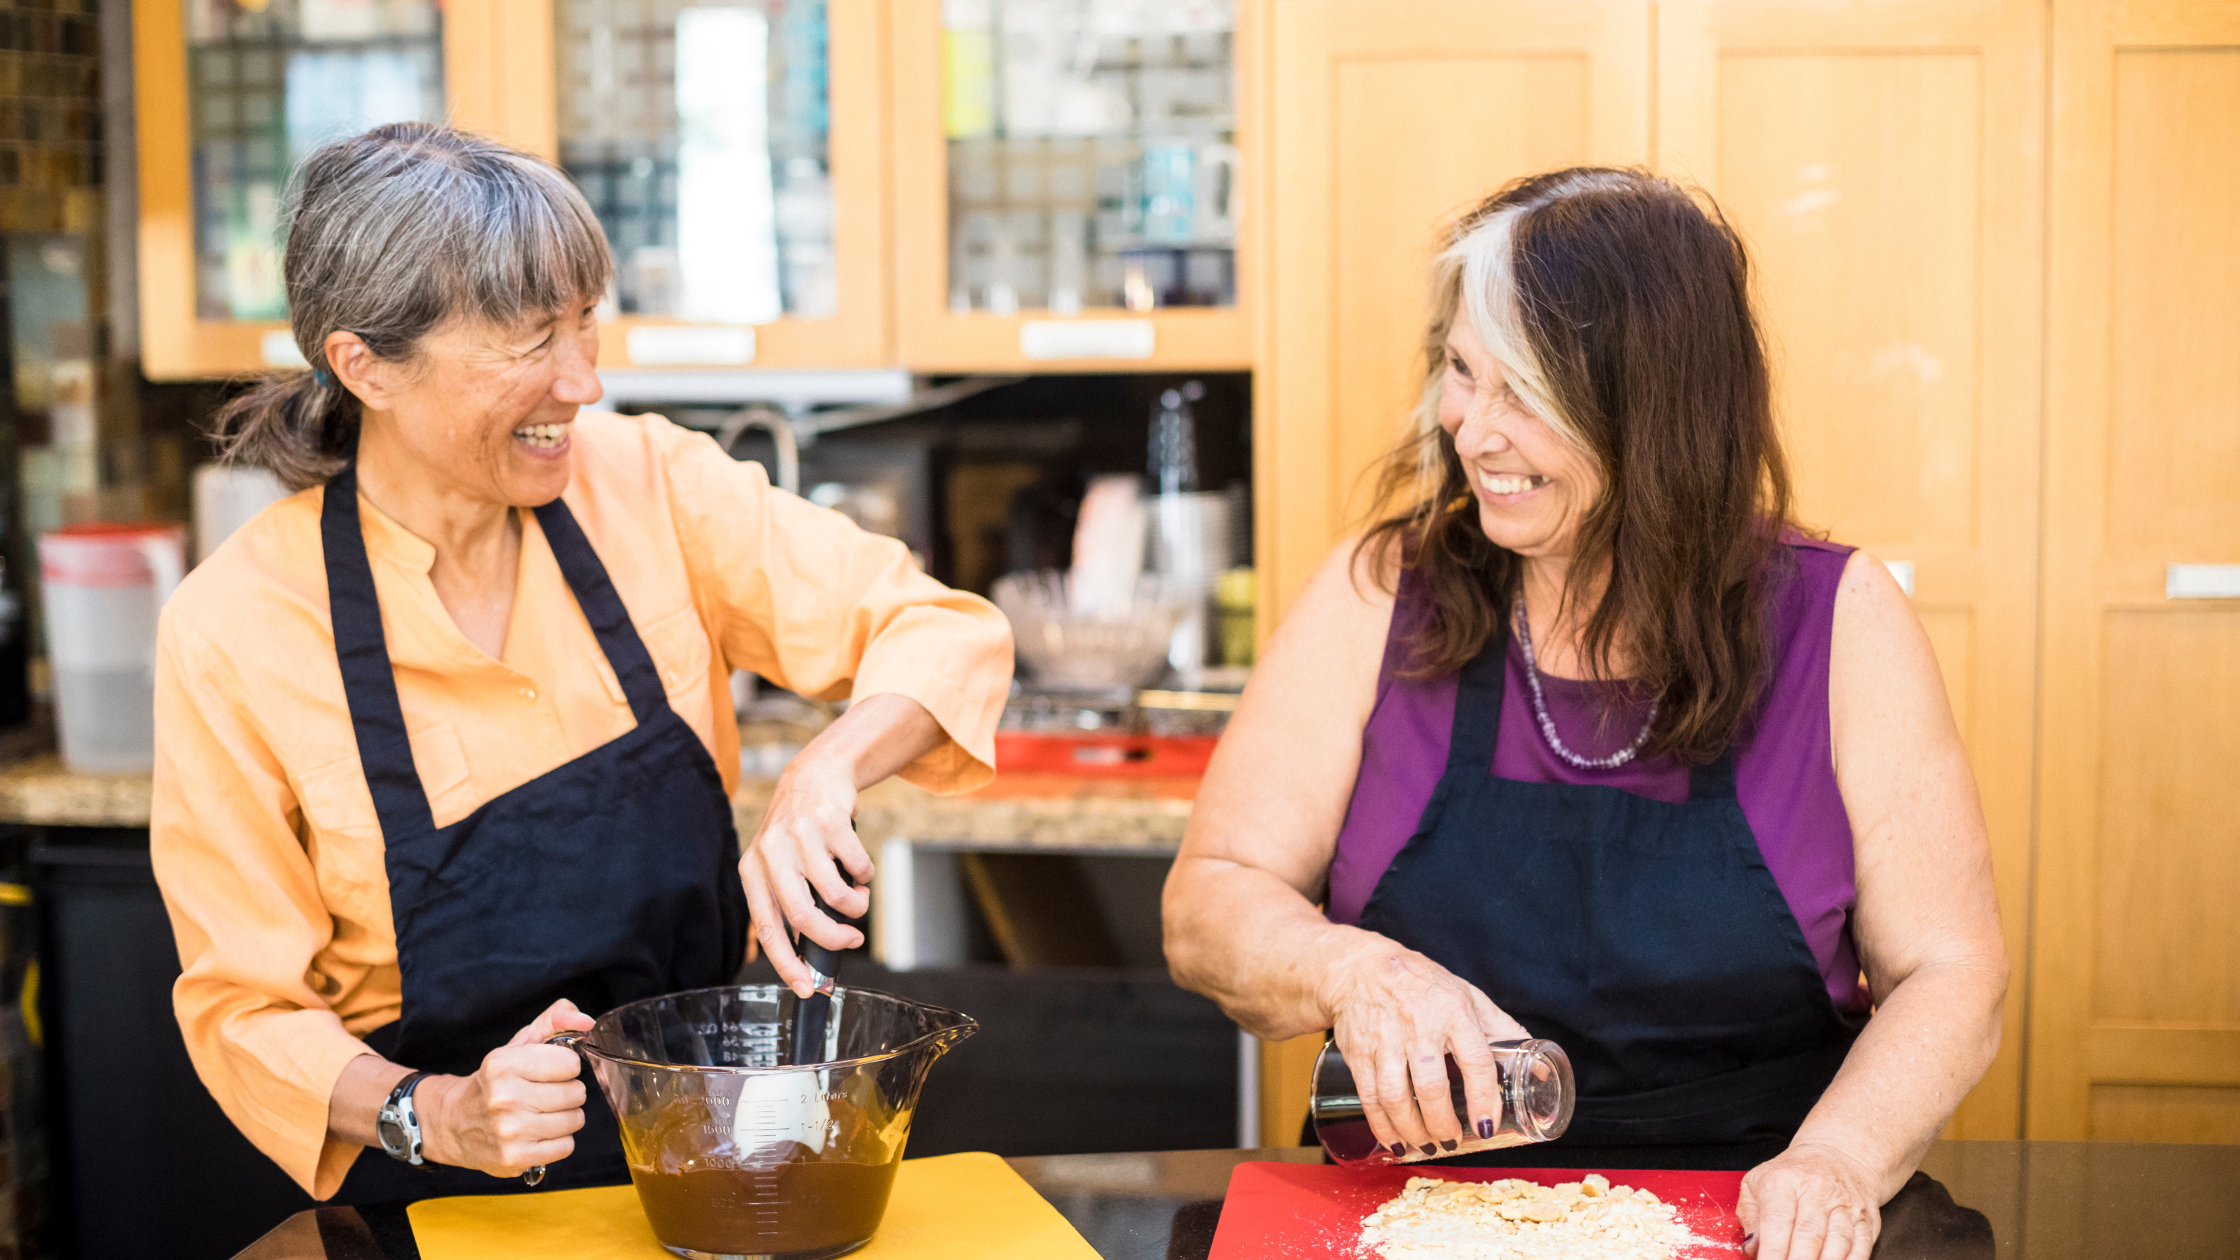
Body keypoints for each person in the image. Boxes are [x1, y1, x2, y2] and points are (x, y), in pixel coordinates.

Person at [150, 124, 1012, 1204]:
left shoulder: (648, 483)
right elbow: (244, 1013)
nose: (581, 383)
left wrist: (822, 775)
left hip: (707, 1175)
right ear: (362, 364)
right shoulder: (237, 627)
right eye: (524, 344)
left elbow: (941, 630)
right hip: (436, 1203)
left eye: (584, 322)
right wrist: (434, 1113)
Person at [1163, 168, 2006, 1260]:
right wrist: (1355, 969)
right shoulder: (1381, 591)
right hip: (1413, 1222)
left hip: (1752, 1211)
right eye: (1461, 373)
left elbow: (1949, 970)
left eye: (1521, 392)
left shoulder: (1836, 621)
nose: (1468, 429)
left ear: (1651, 413)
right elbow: (1209, 901)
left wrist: (1836, 1160)